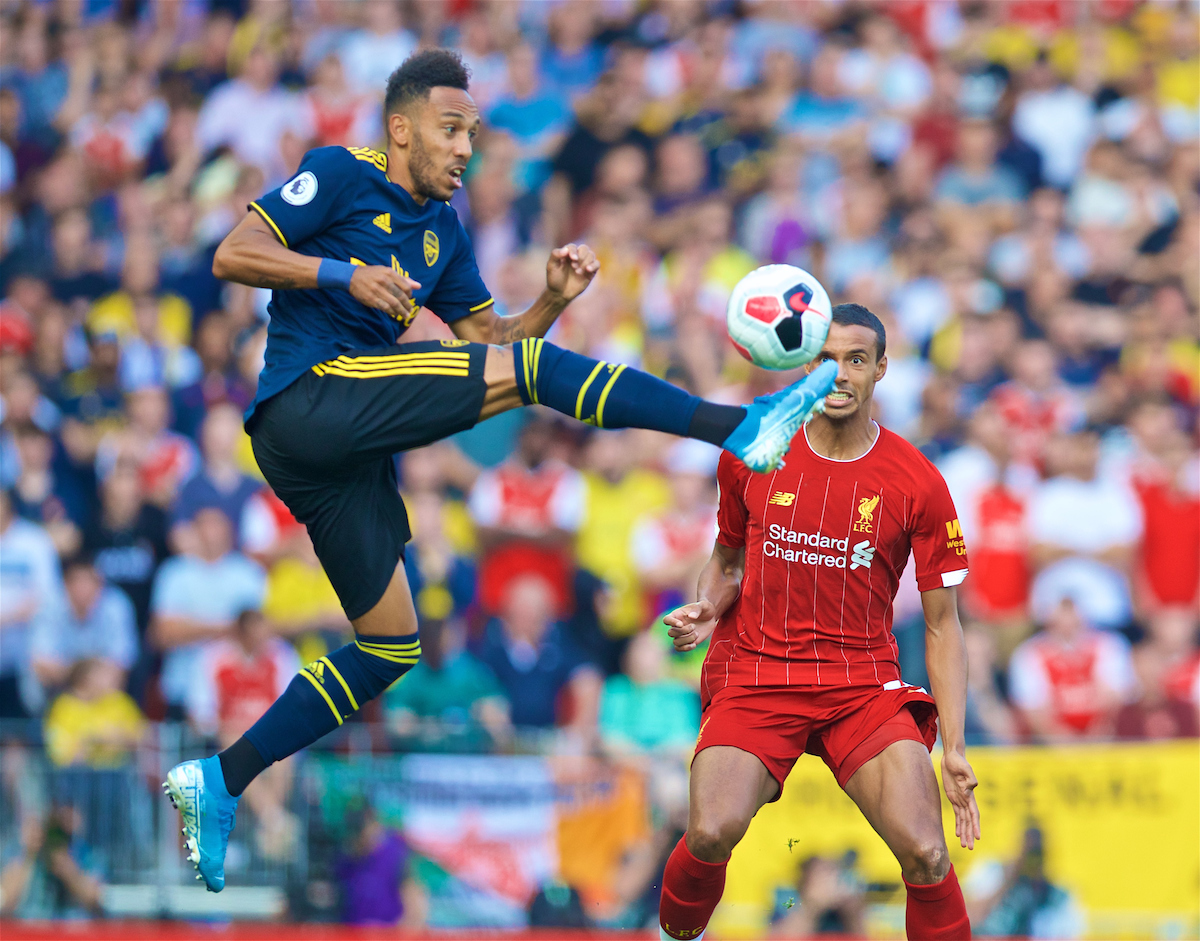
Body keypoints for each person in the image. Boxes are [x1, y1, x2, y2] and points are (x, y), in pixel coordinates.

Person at [164, 48, 838, 893]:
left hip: (347, 453)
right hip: (308, 401)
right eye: (450, 130)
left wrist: (551, 303)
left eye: (473, 134)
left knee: (388, 646)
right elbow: (236, 251)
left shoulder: (445, 231)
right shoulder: (339, 174)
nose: (464, 149)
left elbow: (497, 348)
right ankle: (738, 427)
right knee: (535, 375)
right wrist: (346, 273)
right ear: (401, 128)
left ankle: (220, 780)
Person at [657, 305, 977, 941]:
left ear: (880, 369)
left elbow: (943, 626)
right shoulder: (752, 450)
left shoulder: (919, 482)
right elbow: (725, 562)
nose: (839, 374)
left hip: (861, 684)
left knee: (928, 852)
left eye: (855, 360)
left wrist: (958, 750)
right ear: (805, 364)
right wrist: (706, 605)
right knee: (711, 831)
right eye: (825, 359)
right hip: (757, 672)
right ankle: (671, 934)